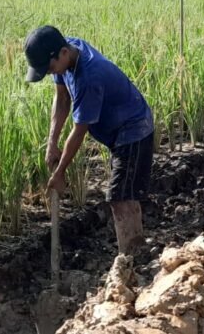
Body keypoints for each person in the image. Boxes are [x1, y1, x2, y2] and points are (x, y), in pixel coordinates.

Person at [23, 25, 155, 255]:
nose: (50, 73)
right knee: (125, 193)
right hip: (120, 131)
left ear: (63, 53)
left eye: (50, 68)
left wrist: (60, 172)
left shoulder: (89, 77)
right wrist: (51, 142)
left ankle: (131, 258)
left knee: (119, 197)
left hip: (133, 130)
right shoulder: (68, 51)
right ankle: (136, 250)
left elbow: (79, 130)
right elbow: (62, 98)